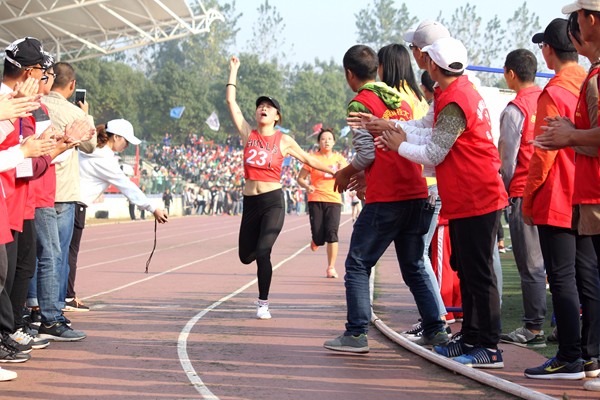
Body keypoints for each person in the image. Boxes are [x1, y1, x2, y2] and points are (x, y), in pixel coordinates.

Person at [371, 37, 508, 368]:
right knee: (469, 272)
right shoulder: (454, 91)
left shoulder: (456, 100)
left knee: (479, 275)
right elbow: (427, 132)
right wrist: (394, 129)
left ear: (432, 64)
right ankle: (472, 337)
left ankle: (488, 346)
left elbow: (433, 150)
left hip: (477, 195)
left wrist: (398, 144)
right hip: (466, 195)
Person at [324, 44, 447, 354]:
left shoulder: (360, 103)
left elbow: (367, 153)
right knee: (414, 265)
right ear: (376, 69)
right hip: (416, 191)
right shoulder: (399, 99)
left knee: (357, 263)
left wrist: (345, 173)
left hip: (388, 196)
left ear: (349, 74)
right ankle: (435, 329)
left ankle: (356, 333)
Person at [226, 55, 335, 320]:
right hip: (250, 203)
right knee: (245, 256)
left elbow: (309, 160)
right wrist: (233, 71)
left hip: (272, 203)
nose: (263, 109)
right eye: (260, 106)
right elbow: (231, 102)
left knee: (264, 252)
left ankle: (263, 303)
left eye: (269, 107)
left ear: (277, 116)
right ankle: (260, 256)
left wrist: (336, 172)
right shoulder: (248, 134)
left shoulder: (283, 140)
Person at [522, 18, 600, 380]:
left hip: (557, 194)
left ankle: (571, 355)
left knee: (563, 277)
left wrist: (527, 199)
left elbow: (543, 152)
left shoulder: (555, 91)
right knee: (587, 277)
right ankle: (589, 355)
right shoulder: (583, 81)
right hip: (582, 192)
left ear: (549, 50)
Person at [497, 49, 547, 349]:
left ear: (510, 74)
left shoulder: (515, 109)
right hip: (553, 192)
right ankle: (562, 327)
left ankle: (533, 328)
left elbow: (507, 161)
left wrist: (502, 191)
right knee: (560, 266)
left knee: (531, 265)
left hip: (524, 193)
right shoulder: (549, 99)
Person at [42, 60, 96, 330]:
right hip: (62, 190)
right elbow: (90, 144)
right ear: (72, 85)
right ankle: (53, 312)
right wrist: (86, 115)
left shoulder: (37, 105)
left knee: (36, 254)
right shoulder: (73, 112)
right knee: (58, 255)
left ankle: (33, 305)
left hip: (37, 186)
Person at [79, 120, 168, 225]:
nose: (127, 145)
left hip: (68, 202)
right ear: (116, 137)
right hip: (76, 207)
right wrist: (153, 208)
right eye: (126, 141)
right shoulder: (105, 159)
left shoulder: (89, 150)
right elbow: (127, 186)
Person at [297, 128, 348, 279]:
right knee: (319, 237)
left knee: (332, 233)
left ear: (334, 142)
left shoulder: (339, 159)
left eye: (329, 139)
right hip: (316, 199)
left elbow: (346, 178)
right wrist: (307, 186)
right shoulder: (312, 159)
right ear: (319, 142)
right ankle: (316, 240)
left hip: (333, 199)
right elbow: (300, 178)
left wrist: (343, 172)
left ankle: (331, 267)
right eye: (323, 139)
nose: (326, 141)